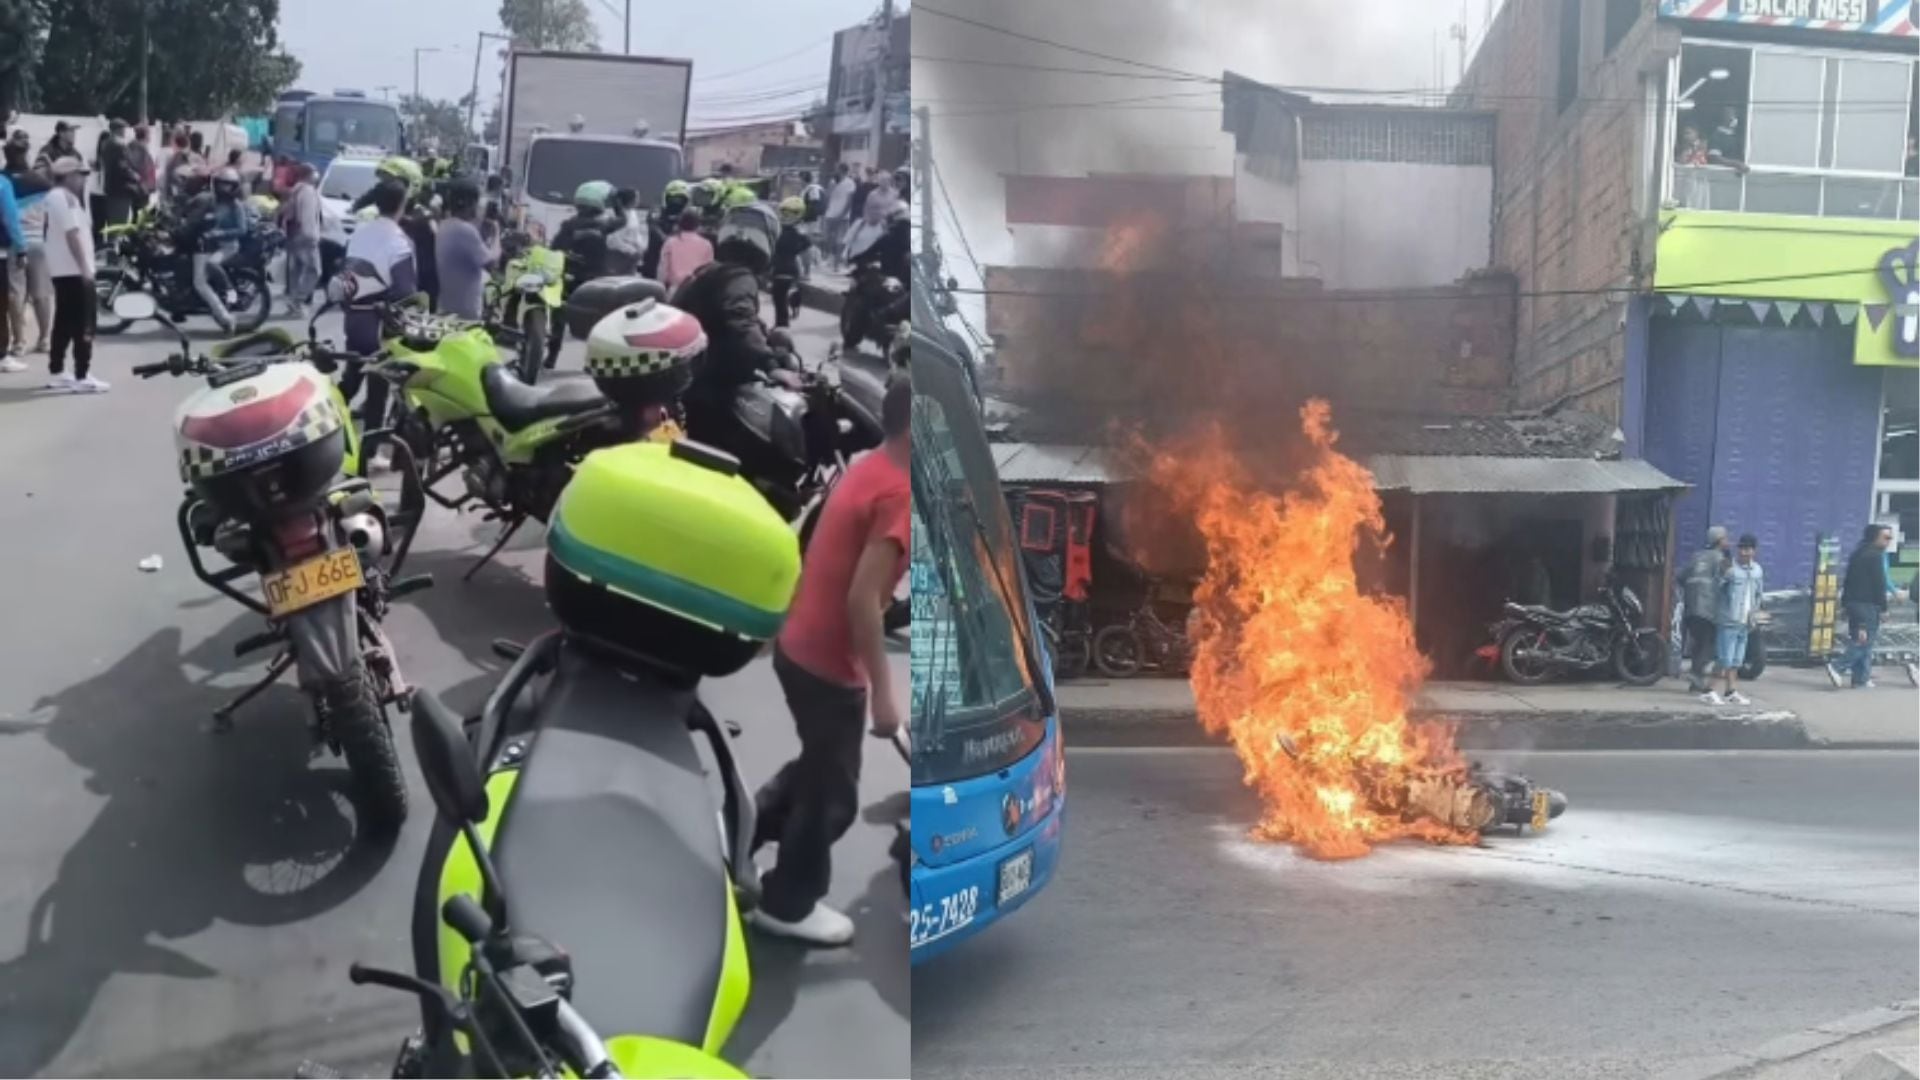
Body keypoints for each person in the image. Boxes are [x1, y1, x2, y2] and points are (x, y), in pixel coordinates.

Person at [750, 374, 911, 946]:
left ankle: (743, 830)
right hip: (828, 665)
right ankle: (789, 903)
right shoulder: (900, 494)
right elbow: (864, 600)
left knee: (817, 767)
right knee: (833, 798)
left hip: (799, 642)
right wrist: (886, 698)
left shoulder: (872, 464)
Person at [672, 201, 800, 456]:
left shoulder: (708, 273)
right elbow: (740, 321)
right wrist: (772, 366)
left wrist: (764, 334)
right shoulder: (740, 277)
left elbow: (739, 318)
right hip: (715, 388)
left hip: (690, 381)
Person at [337, 180, 418, 430]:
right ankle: (371, 450)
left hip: (353, 318)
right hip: (378, 324)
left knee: (351, 377)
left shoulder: (360, 231)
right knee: (378, 388)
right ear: (402, 206)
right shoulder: (398, 241)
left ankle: (326, 419)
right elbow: (406, 292)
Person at [43, 158, 104, 392]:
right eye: (80, 175)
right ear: (68, 176)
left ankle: (58, 370)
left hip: (63, 270)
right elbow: (72, 234)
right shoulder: (64, 198)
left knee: (64, 322)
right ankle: (82, 373)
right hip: (74, 270)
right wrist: (85, 268)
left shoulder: (55, 197)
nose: (83, 179)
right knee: (83, 323)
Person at [185, 168, 253, 333]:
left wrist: (219, 233)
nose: (224, 188)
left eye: (228, 186)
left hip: (227, 245)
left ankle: (227, 315)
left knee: (201, 279)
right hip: (210, 243)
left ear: (234, 187)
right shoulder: (211, 201)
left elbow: (242, 229)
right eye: (221, 184)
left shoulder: (236, 206)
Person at [1829, 524, 1897, 689]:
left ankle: (1860, 678)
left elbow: (1848, 580)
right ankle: (1837, 666)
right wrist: (1884, 608)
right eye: (1886, 537)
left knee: (1861, 638)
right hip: (1868, 604)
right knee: (1864, 641)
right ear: (1875, 537)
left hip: (1854, 602)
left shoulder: (1857, 553)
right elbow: (1879, 584)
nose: (1889, 541)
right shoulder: (1875, 556)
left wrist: (1845, 603)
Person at [5, 135, 53, 358]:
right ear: (26, 154)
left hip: (14, 243)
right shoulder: (41, 182)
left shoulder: (4, 181)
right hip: (40, 242)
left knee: (16, 293)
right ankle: (44, 339)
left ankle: (19, 342)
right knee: (42, 293)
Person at [1705, 533, 1763, 706]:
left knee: (1737, 660)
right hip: (1728, 620)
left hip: (1745, 621)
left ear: (1754, 551)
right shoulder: (1729, 568)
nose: (1745, 553)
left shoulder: (1757, 570)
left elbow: (1758, 594)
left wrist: (1755, 615)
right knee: (1724, 658)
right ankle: (1709, 690)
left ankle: (1730, 691)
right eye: (1742, 549)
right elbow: (1715, 589)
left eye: (1749, 549)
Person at [435, 178, 496, 320]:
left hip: (446, 307)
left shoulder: (445, 225)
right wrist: (496, 232)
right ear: (470, 203)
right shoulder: (465, 230)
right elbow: (492, 264)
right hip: (466, 313)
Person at [1679, 525, 1729, 694]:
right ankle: (1696, 675)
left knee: (1698, 643)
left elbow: (1680, 577)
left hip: (1691, 608)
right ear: (1720, 541)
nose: (1727, 542)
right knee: (1709, 644)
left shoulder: (1696, 556)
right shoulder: (1720, 558)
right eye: (1726, 539)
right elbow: (1729, 580)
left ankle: (1695, 682)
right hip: (1708, 609)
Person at [280, 163, 323, 317]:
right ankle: (298, 301)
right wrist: (311, 236)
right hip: (306, 236)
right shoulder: (307, 192)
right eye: (314, 172)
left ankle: (293, 304)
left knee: (296, 272)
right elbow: (306, 216)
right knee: (315, 271)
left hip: (293, 235)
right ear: (309, 174)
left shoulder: (296, 190)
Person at [769, 196, 812, 329]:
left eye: (790, 213)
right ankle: (782, 323)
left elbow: (806, 255)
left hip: (784, 268)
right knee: (779, 298)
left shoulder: (781, 231)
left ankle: (781, 326)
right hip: (785, 268)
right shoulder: (797, 233)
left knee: (779, 298)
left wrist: (806, 271)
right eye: (784, 212)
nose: (785, 216)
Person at [98, 119, 141, 230]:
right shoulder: (119, 145)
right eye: (124, 129)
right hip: (121, 189)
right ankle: (114, 246)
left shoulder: (106, 144)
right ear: (119, 130)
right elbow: (122, 167)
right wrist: (135, 176)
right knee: (119, 225)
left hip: (111, 189)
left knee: (113, 224)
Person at [657, 207, 712, 290]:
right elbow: (708, 271)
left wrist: (660, 287)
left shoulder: (670, 242)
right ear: (698, 224)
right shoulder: (706, 244)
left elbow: (663, 269)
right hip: (696, 290)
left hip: (675, 289)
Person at [823, 163, 855, 269]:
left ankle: (836, 263)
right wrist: (831, 187)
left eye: (837, 169)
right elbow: (827, 197)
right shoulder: (833, 182)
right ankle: (828, 257)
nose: (835, 171)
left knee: (840, 240)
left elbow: (850, 201)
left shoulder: (850, 183)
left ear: (842, 170)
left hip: (843, 217)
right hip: (830, 214)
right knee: (827, 237)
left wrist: (842, 214)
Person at [1707, 106, 1748, 173]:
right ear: (1723, 117)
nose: (1734, 118)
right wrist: (1737, 164)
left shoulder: (1736, 136)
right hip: (1722, 176)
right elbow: (1714, 158)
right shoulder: (1717, 136)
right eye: (1730, 115)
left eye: (1735, 115)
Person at [127, 124, 156, 209]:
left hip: (137, 185)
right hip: (142, 186)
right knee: (140, 211)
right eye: (149, 134)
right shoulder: (140, 147)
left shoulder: (132, 146)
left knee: (136, 210)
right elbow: (143, 167)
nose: (150, 136)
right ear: (145, 134)